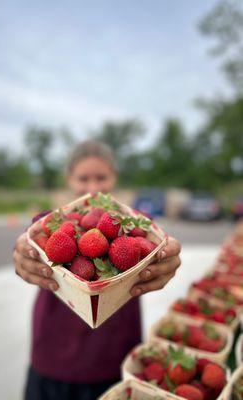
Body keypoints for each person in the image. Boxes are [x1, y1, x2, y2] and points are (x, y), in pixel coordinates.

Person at [13, 140, 181, 400]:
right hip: (53, 355)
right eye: (83, 178)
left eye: (101, 177)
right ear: (69, 180)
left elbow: (154, 241)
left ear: (114, 178)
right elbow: (32, 236)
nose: (92, 187)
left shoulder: (132, 225)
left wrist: (164, 258)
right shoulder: (54, 222)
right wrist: (24, 253)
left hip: (115, 354)